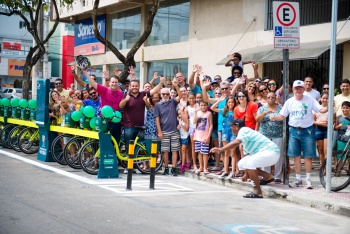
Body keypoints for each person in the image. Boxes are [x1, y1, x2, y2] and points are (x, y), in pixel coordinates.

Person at [270, 80, 328, 189]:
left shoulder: (310, 99)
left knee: (308, 156)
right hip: (293, 130)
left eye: (300, 88)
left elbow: (321, 109)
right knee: (295, 156)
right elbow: (282, 116)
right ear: (293, 89)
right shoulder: (289, 101)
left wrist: (329, 107)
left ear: (303, 89)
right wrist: (274, 117)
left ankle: (308, 180)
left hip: (308, 131)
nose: (298, 90)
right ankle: (298, 179)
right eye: (296, 88)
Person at [210, 119, 280, 198]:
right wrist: (247, 174)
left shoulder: (243, 130)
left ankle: (257, 192)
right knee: (242, 164)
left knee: (250, 163)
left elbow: (236, 142)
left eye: (231, 127)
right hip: (267, 153)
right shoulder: (244, 136)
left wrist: (221, 149)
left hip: (271, 152)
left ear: (236, 127)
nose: (231, 129)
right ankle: (267, 177)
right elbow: (246, 155)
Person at [119, 78, 166, 155]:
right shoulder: (126, 95)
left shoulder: (143, 94)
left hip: (140, 127)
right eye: (133, 86)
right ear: (130, 87)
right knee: (129, 147)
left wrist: (161, 83)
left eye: (136, 86)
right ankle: (130, 165)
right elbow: (120, 105)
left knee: (140, 147)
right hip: (129, 127)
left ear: (139, 86)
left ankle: (138, 164)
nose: (134, 87)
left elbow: (153, 91)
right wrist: (126, 100)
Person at [82, 69, 123, 143]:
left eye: (116, 82)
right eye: (112, 82)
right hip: (104, 121)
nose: (114, 84)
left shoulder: (121, 94)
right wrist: (85, 72)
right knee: (104, 144)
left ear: (118, 83)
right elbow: (93, 83)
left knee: (115, 144)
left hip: (116, 122)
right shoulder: (104, 90)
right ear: (109, 83)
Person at [256, 92, 283, 183]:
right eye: (269, 97)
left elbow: (283, 117)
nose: (270, 98)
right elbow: (257, 119)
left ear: (275, 98)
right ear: (266, 98)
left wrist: (275, 117)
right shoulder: (262, 108)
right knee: (265, 155)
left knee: (278, 155)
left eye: (272, 97)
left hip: (278, 135)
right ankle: (266, 175)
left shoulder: (280, 108)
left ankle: (278, 176)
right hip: (265, 135)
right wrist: (265, 113)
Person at [154, 88, 180, 176]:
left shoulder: (173, 101)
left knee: (174, 150)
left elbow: (180, 96)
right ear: (160, 95)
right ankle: (165, 168)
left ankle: (173, 168)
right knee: (165, 151)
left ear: (169, 95)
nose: (165, 96)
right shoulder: (158, 105)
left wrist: (176, 86)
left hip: (174, 130)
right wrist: (159, 132)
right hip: (164, 130)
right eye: (163, 94)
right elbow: (157, 119)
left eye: (167, 94)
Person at [193, 101, 213, 175]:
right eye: (201, 105)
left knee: (204, 153)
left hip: (205, 136)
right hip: (198, 136)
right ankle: (201, 167)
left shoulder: (209, 113)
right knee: (199, 152)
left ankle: (205, 167)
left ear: (207, 106)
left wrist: (208, 136)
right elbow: (194, 122)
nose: (203, 107)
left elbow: (211, 125)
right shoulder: (198, 113)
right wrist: (195, 112)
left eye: (204, 105)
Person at [313, 92, 332, 169]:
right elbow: (313, 121)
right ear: (320, 99)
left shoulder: (331, 108)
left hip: (327, 129)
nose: (325, 100)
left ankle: (327, 167)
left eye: (327, 98)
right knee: (320, 150)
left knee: (326, 150)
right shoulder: (316, 109)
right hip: (319, 129)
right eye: (323, 98)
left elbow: (334, 119)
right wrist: (320, 123)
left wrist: (329, 122)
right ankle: (322, 165)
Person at [334, 101, 350, 170]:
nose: (345, 109)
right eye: (343, 108)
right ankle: (338, 170)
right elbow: (335, 128)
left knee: (348, 155)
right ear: (341, 108)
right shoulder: (338, 117)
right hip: (340, 139)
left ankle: (348, 169)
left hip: (349, 140)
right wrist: (338, 126)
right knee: (340, 155)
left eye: (347, 108)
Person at [177, 108, 190, 173]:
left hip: (185, 136)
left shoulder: (187, 120)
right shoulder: (179, 120)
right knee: (185, 150)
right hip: (181, 136)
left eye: (181, 114)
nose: (180, 115)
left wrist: (181, 125)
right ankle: (188, 162)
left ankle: (183, 164)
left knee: (183, 150)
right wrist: (178, 127)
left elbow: (186, 129)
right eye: (179, 114)